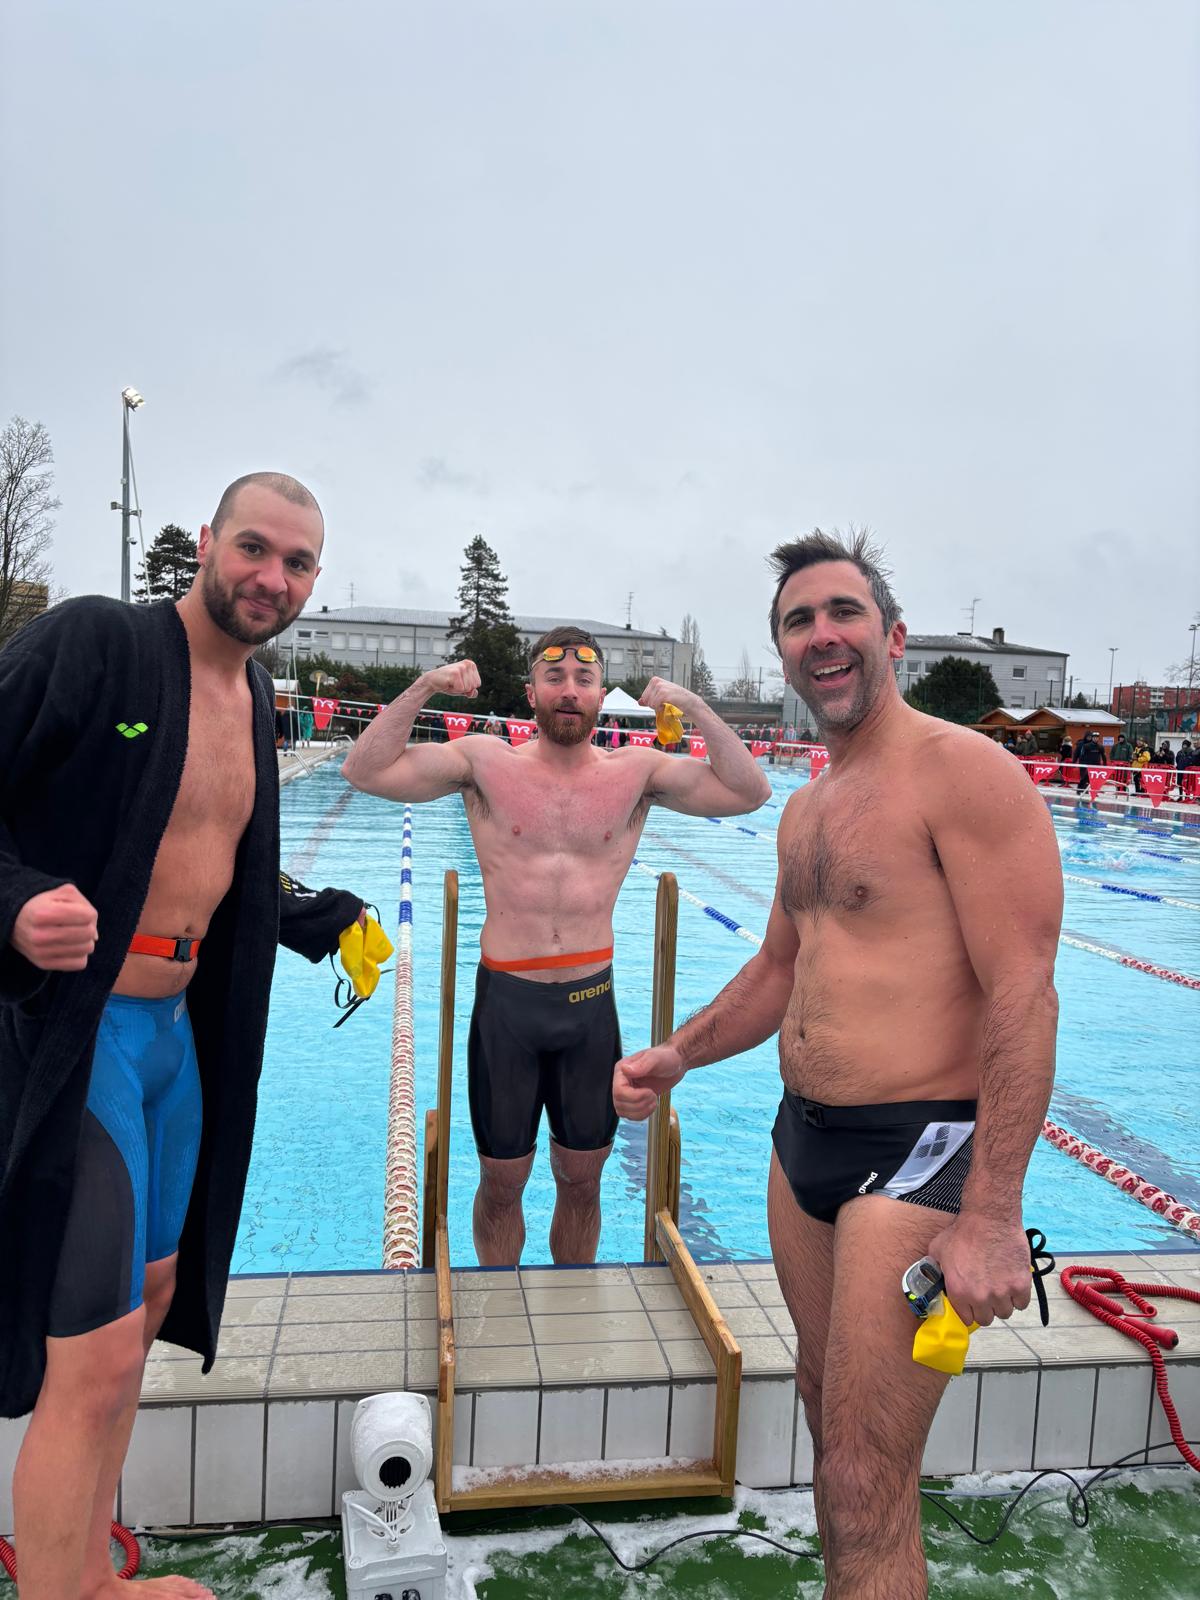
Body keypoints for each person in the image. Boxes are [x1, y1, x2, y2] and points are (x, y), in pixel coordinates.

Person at [613, 529, 1062, 1600]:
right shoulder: (810, 806)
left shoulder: (964, 773)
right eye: (799, 620)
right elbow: (781, 967)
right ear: (783, 651)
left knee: (864, 1478)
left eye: (843, 611)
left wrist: (992, 1213)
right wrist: (678, 1054)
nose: (822, 634)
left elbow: (1024, 993)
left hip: (919, 1154)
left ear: (892, 636)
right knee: (831, 1423)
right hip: (803, 1144)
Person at [1, 472, 366, 1600]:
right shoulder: (97, 645)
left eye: (297, 563)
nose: (272, 577)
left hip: (174, 1040)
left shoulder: (251, 695)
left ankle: (89, 1571)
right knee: (94, 1350)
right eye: (254, 548)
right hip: (86, 1036)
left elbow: (217, 859)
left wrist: (319, 919)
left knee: (150, 1305)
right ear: (206, 542)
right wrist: (14, 904)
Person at [342, 627, 770, 1266]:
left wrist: (693, 703)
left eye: (584, 679)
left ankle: (573, 1304)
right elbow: (364, 770)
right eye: (555, 678)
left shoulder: (638, 772)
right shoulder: (484, 762)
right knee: (500, 1186)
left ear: (600, 694)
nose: (569, 690)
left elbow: (750, 791)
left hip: (588, 1011)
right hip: (506, 1009)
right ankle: (500, 1305)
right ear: (531, 693)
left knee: (582, 1182)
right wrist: (427, 685)